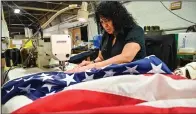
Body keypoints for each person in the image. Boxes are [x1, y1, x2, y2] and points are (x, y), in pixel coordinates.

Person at [66, 1, 146, 73]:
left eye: (107, 20)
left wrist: (93, 66)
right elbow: (101, 58)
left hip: (133, 76)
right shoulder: (107, 35)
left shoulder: (135, 31)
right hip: (114, 74)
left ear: (117, 19)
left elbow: (126, 57)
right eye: (102, 22)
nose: (105, 25)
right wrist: (92, 63)